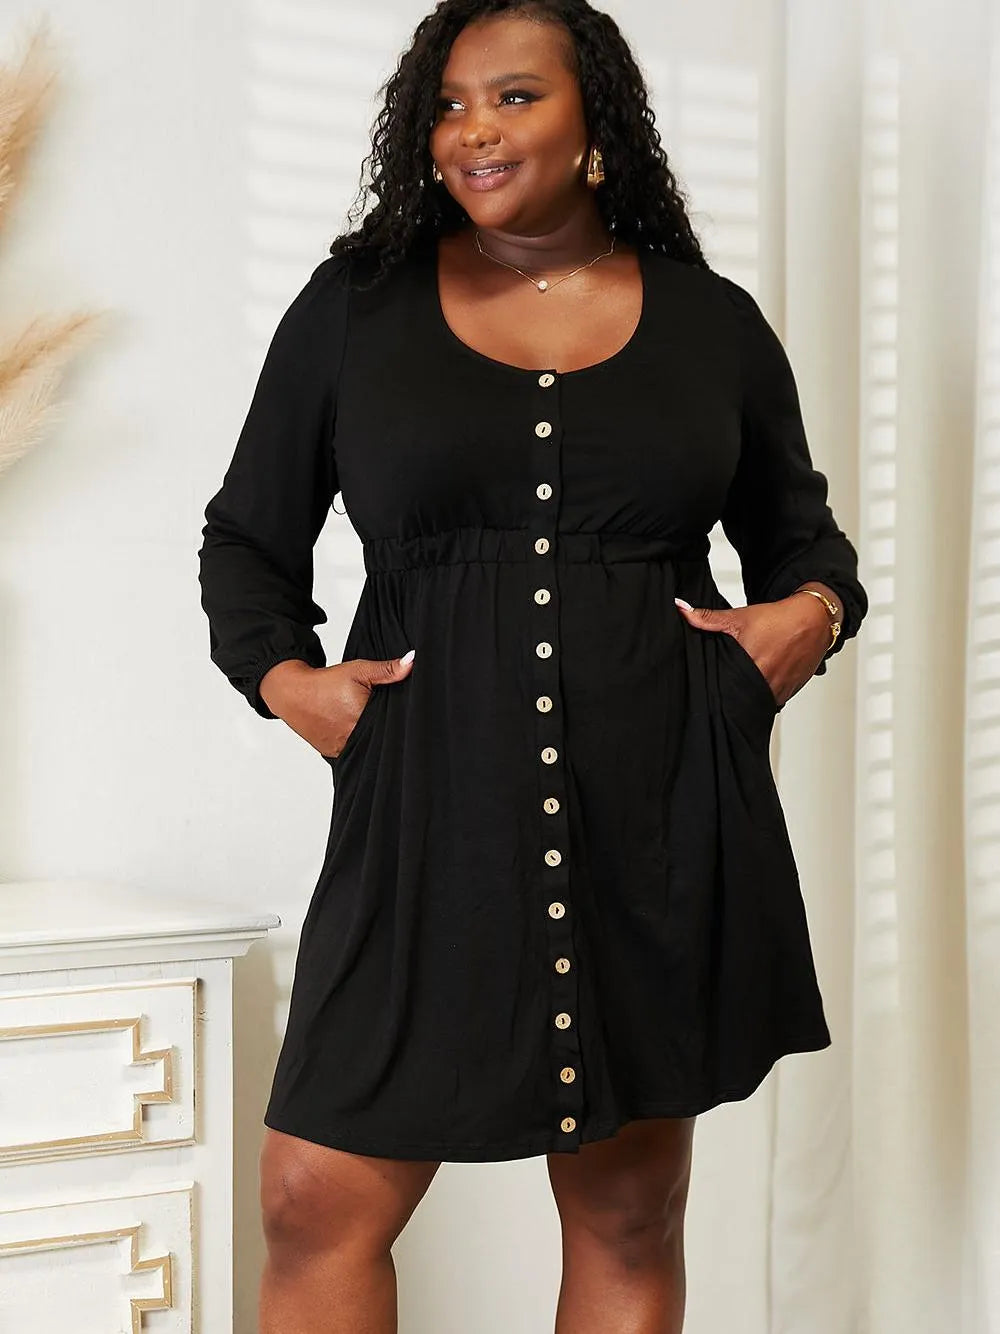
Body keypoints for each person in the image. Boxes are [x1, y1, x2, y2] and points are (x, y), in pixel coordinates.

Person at [196, 1, 868, 1330]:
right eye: (448, 105)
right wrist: (287, 679)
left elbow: (806, 541)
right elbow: (247, 539)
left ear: (595, 120)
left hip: (658, 807)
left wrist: (810, 615)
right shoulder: (356, 307)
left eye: (513, 96)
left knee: (627, 1207)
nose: (474, 131)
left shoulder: (712, 324)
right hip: (425, 809)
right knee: (316, 1196)